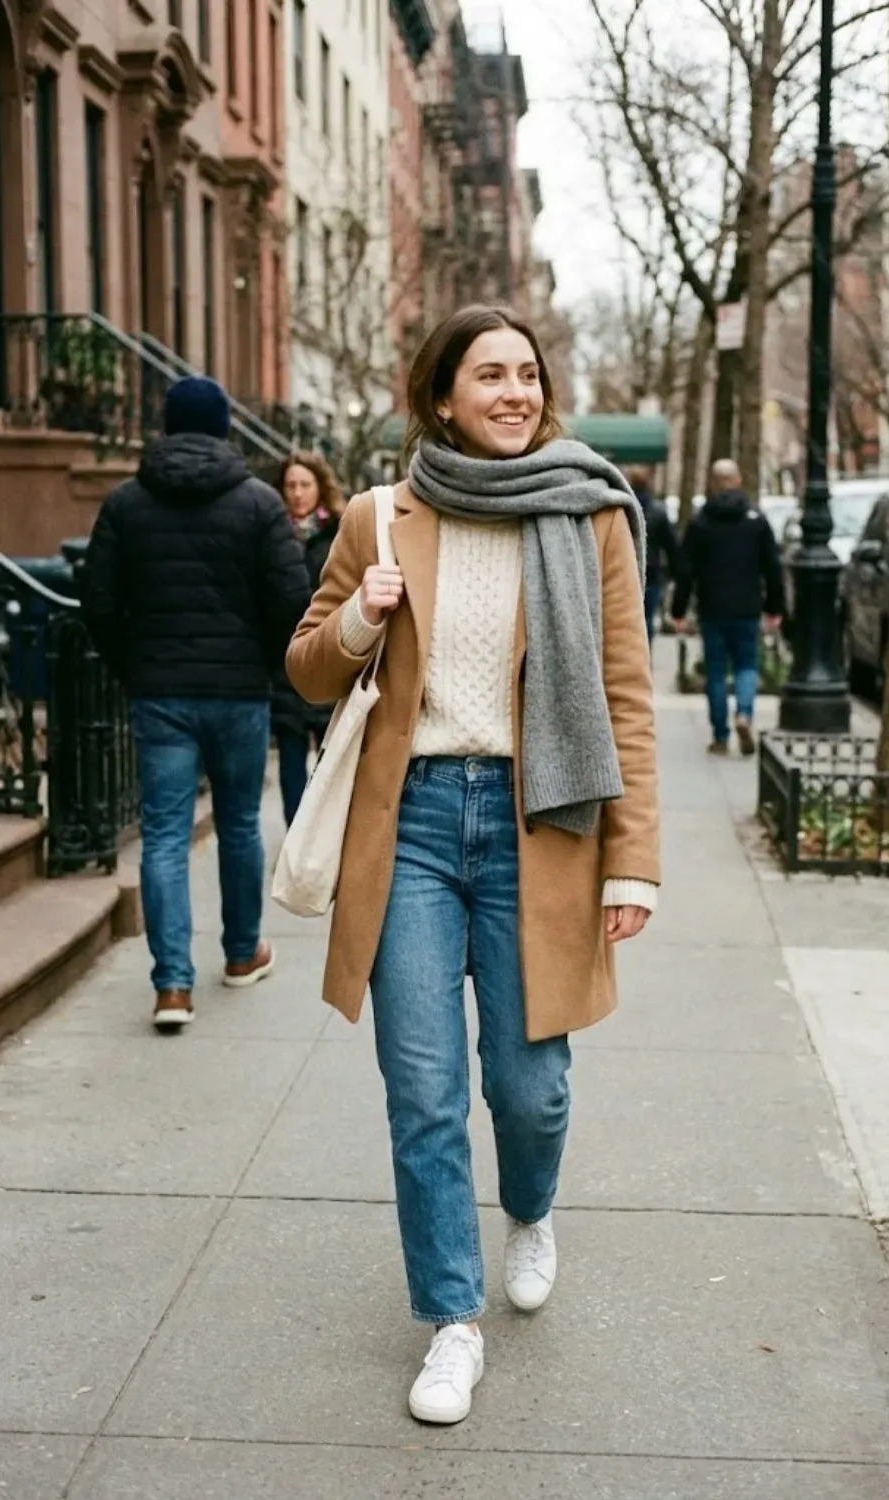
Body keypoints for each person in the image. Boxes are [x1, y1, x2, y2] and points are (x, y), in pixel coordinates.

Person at [286, 305, 661, 1426]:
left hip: (538, 826)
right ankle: (451, 1320)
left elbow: (627, 699)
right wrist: (358, 617)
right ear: (440, 395)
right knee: (426, 1091)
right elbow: (306, 671)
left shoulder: (589, 516)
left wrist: (632, 862)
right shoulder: (377, 519)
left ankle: (531, 1208)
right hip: (408, 829)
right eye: (487, 375)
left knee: (528, 1088)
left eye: (527, 375)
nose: (513, 393)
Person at [82, 375, 310, 1030]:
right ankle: (242, 954)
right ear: (222, 428)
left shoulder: (126, 503)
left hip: (161, 693)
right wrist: (263, 662)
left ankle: (173, 986)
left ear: (166, 426)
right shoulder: (261, 504)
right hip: (239, 691)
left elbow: (98, 600)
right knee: (239, 823)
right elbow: (292, 601)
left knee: (164, 835)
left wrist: (135, 664)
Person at [670, 458, 784, 757]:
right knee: (747, 665)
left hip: (712, 608)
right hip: (747, 607)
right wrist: (775, 607)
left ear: (712, 482)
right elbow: (773, 567)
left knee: (717, 672)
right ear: (738, 481)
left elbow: (686, 570)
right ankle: (744, 714)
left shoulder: (701, 522)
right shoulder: (755, 520)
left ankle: (720, 737)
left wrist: (678, 610)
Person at [271, 451, 347, 826]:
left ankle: (326, 846)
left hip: (327, 665)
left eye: (305, 484)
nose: (297, 493)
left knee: (330, 769)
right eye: (290, 486)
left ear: (320, 487)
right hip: (285, 668)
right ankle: (295, 849)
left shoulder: (339, 533)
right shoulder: (273, 533)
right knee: (290, 770)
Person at [627, 464, 680, 641]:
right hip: (651, 572)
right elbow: (671, 545)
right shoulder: (658, 512)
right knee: (646, 619)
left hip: (625, 570)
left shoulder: (622, 508)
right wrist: (673, 572)